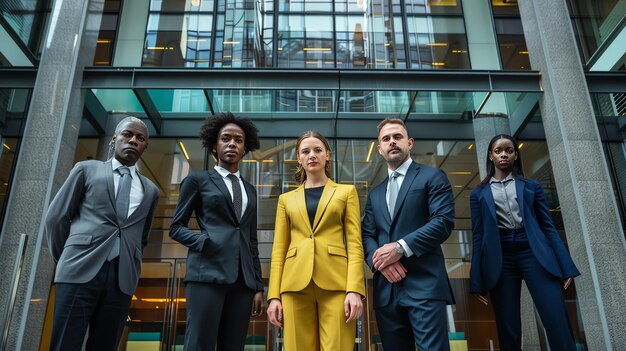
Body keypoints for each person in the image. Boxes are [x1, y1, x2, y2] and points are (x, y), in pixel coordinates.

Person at [45, 116, 159, 351]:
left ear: (145, 146)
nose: (133, 141)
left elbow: (142, 236)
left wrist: (131, 262)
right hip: (79, 270)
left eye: (140, 138)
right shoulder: (86, 170)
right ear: (114, 138)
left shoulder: (151, 190)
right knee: (65, 343)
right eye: (127, 134)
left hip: (121, 279)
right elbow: (56, 218)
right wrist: (66, 258)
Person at [469, 134, 580, 351]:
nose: (504, 154)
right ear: (490, 156)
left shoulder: (532, 186)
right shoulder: (478, 194)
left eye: (509, 150)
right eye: (498, 151)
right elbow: (478, 236)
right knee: (508, 325)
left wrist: (566, 265)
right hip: (501, 258)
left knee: (555, 316)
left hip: (533, 252)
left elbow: (548, 227)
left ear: (515, 154)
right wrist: (476, 280)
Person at [169, 112, 264, 351]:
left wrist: (258, 286)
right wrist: (204, 241)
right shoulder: (197, 181)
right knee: (199, 343)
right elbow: (176, 227)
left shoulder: (250, 190)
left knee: (233, 346)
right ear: (214, 145)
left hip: (242, 281)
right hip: (206, 274)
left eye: (238, 140)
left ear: (245, 148)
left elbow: (251, 240)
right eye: (226, 138)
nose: (232, 143)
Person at [361, 117, 455, 351]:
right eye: (386, 139)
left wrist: (399, 248)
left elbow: (442, 222)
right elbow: (366, 235)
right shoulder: (375, 194)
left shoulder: (432, 177)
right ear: (380, 148)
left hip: (424, 285)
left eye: (397, 136)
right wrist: (380, 263)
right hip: (387, 291)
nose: (392, 142)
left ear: (410, 143)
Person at [266, 131, 365, 351]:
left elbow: (355, 244)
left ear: (327, 155)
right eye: (306, 151)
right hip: (294, 286)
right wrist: (273, 295)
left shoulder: (346, 192)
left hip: (336, 284)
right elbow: (279, 249)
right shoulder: (286, 199)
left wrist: (354, 289)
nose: (312, 155)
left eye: (318, 150)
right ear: (299, 158)